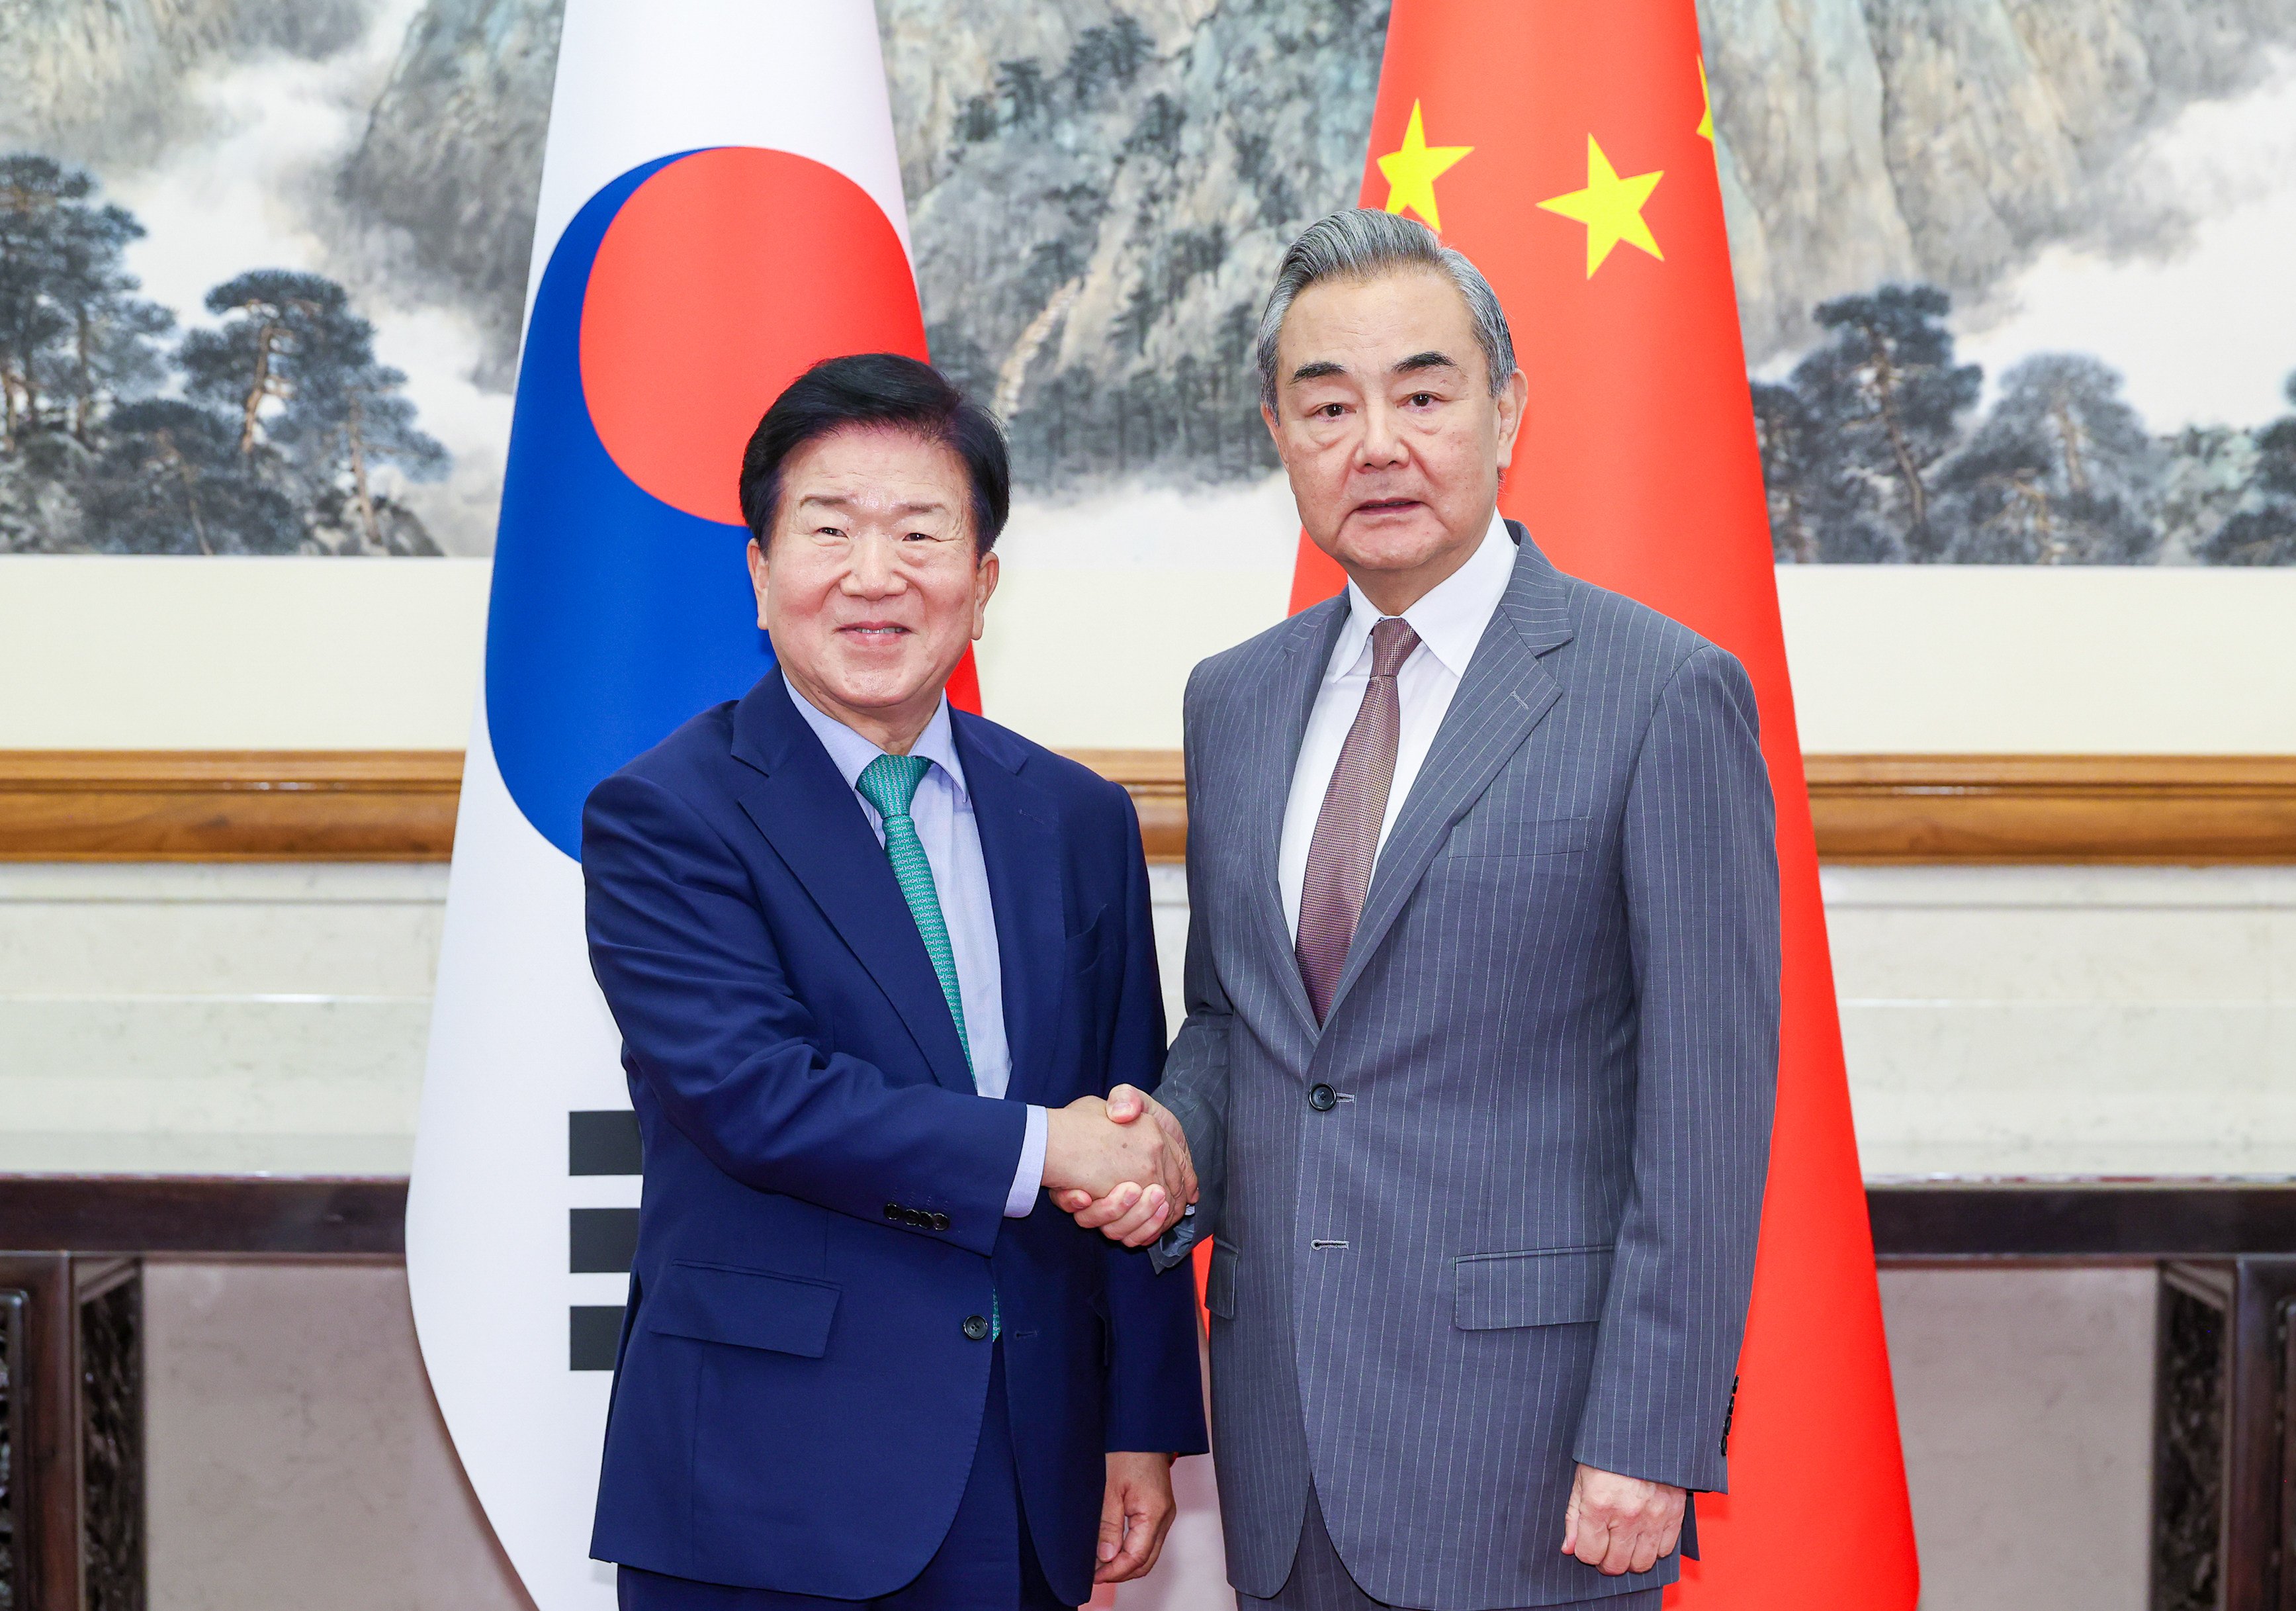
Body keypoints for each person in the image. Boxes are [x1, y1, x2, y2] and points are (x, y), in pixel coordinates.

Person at [1061, 210, 1781, 1610]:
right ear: (1280, 434)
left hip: (1532, 1459)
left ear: (1506, 407)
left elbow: (1706, 1105)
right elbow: (1238, 1016)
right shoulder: (1236, 698)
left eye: (1423, 392)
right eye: (1326, 404)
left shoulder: (1658, 692)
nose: (1374, 442)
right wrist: (1169, 1146)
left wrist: (1648, 1429)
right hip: (1284, 1440)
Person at [583, 353, 1206, 1610]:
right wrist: (1047, 1150)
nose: (874, 577)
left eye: (920, 533)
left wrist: (1141, 1419)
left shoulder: (1075, 817)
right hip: (766, 1483)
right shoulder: (665, 814)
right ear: (760, 574)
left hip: (1028, 1464)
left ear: (980, 585)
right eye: (829, 531)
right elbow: (757, 1095)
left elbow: (1127, 1112)